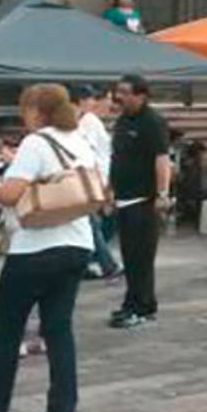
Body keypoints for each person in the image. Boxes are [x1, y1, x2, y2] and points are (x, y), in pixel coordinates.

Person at [0, 85, 98, 412]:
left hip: (35, 248)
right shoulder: (80, 139)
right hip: (77, 243)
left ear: (37, 111)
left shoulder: (36, 142)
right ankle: (61, 410)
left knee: (6, 330)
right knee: (59, 329)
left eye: (24, 110)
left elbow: (10, 194)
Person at [109, 74, 172, 329]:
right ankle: (130, 302)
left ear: (141, 95)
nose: (119, 97)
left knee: (141, 257)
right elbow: (116, 157)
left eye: (125, 92)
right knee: (129, 256)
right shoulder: (123, 121)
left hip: (143, 199)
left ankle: (143, 307)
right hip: (123, 198)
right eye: (118, 92)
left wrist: (162, 193)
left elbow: (161, 159)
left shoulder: (153, 122)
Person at [72, 85, 121, 282]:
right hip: (95, 179)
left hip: (96, 178)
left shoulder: (87, 120)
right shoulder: (89, 121)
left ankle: (89, 263)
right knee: (95, 223)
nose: (94, 102)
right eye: (91, 99)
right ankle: (107, 265)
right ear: (82, 101)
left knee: (94, 223)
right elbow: (88, 153)